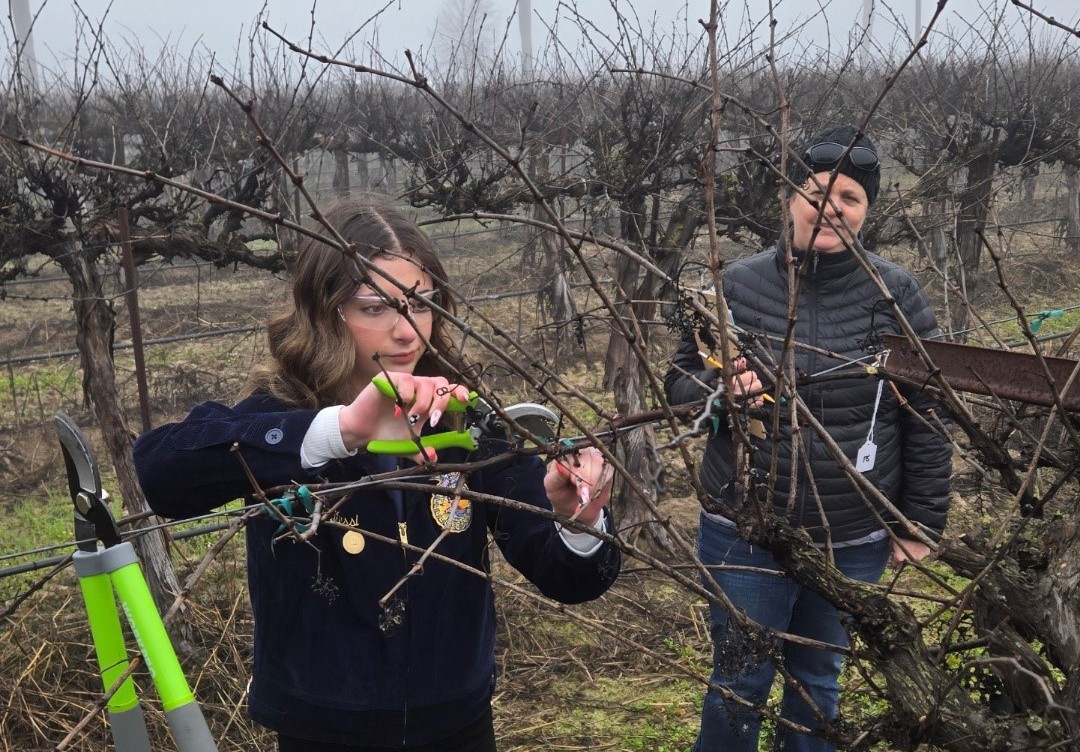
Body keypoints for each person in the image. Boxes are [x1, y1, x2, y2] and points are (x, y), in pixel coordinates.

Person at [134, 199, 620, 752]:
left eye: (421, 303)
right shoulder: (283, 415)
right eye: (376, 308)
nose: (406, 331)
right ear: (324, 313)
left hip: (457, 722)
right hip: (324, 728)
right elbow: (160, 471)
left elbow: (568, 577)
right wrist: (339, 431)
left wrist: (578, 523)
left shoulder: (463, 417)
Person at [664, 125, 951, 752]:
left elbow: (926, 413)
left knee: (817, 681)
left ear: (867, 210)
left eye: (849, 197)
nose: (831, 208)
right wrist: (719, 397)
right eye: (817, 192)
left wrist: (917, 521)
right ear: (790, 198)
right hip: (746, 528)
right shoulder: (735, 286)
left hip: (852, 537)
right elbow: (679, 384)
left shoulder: (896, 296)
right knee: (738, 682)